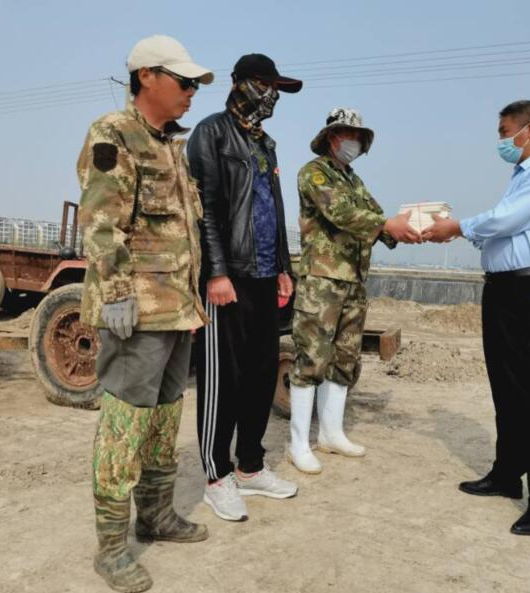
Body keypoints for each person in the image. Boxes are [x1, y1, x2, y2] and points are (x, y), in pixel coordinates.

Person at [78, 35, 213, 592]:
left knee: (162, 421)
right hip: (137, 310)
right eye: (184, 82)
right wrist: (116, 295)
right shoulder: (114, 133)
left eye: (195, 85)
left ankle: (155, 516)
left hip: (177, 309)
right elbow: (102, 222)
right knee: (125, 426)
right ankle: (111, 549)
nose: (191, 92)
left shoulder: (172, 145)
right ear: (148, 76)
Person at [422, 100, 530, 536]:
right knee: (505, 385)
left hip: (528, 290)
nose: (502, 140)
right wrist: (461, 232)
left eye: (505, 131)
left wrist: (458, 227)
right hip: (503, 288)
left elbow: (508, 220)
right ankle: (508, 473)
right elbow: (505, 231)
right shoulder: (521, 175)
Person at [187, 54, 301, 522]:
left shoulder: (265, 145)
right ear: (238, 84)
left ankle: (250, 466)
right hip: (228, 278)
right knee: (223, 380)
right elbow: (206, 209)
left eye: (276, 89)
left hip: (264, 277)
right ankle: (217, 477)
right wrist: (216, 272)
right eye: (263, 84)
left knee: (259, 375)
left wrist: (283, 267)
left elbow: (273, 210)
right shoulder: (211, 133)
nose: (270, 95)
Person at [288, 107, 422, 474]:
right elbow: (342, 213)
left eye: (360, 138)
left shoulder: (354, 179)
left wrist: (409, 229)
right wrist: (388, 225)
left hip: (353, 280)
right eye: (351, 135)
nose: (356, 143)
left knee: (345, 357)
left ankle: (331, 433)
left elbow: (377, 217)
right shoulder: (314, 172)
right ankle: (299, 444)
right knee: (312, 358)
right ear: (333, 137)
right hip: (322, 279)